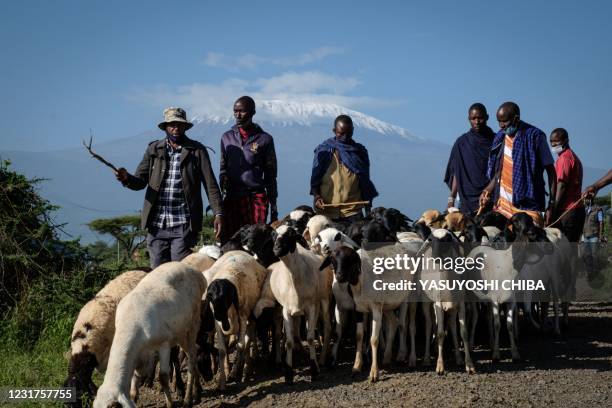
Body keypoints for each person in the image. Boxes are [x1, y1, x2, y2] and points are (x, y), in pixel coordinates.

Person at [116, 107, 223, 268]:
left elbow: (211, 185)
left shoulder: (197, 151)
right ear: (165, 127)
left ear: (185, 127)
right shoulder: (154, 150)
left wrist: (218, 213)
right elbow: (140, 182)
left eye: (179, 124)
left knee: (179, 272)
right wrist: (126, 179)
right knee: (157, 272)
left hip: (183, 223)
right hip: (157, 224)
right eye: (172, 124)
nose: (176, 128)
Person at [480, 102, 557, 227]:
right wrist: (487, 190)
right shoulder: (501, 137)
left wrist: (552, 204)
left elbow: (551, 172)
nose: (501, 126)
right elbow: (499, 170)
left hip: (529, 206)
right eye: (499, 122)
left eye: (504, 121)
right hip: (503, 205)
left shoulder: (535, 136)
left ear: (516, 118)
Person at [219, 96, 278, 243]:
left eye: (242, 111)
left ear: (252, 112)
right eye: (235, 111)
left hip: (255, 197)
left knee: (256, 241)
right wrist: (223, 178)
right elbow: (223, 166)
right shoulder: (226, 138)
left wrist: (274, 203)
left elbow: (271, 174)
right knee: (232, 241)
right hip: (232, 197)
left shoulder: (264, 139)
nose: (238, 115)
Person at [310, 115, 378, 222]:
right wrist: (317, 197)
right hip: (326, 214)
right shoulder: (323, 152)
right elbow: (315, 181)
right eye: (341, 134)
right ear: (334, 131)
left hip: (353, 213)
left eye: (349, 133)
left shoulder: (359, 152)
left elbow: (365, 182)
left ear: (353, 130)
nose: (345, 137)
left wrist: (368, 209)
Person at [444, 103, 495, 214]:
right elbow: (457, 173)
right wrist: (451, 199)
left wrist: (489, 191)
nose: (477, 122)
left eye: (480, 118)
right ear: (469, 119)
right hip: (466, 201)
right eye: (473, 118)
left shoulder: (497, 142)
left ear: (487, 117)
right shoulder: (461, 143)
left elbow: (501, 172)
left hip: (491, 199)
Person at [550, 128, 585, 242]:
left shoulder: (564, 158)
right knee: (573, 249)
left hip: (567, 210)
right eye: (551, 141)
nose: (553, 144)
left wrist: (553, 209)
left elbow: (562, 185)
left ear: (566, 140)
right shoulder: (574, 157)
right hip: (577, 209)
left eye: (557, 141)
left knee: (565, 249)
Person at [582, 196, 605, 281]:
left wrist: (600, 236)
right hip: (586, 236)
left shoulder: (597, 209)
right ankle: (590, 273)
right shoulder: (585, 210)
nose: (584, 200)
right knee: (586, 255)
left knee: (594, 255)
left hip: (594, 236)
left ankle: (596, 272)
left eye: (586, 199)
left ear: (590, 199)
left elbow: (601, 222)